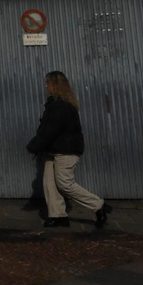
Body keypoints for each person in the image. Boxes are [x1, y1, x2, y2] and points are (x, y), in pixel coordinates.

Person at [26, 70, 113, 229]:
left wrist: (34, 146)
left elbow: (50, 129)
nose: (46, 85)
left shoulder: (61, 105)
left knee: (65, 184)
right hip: (54, 150)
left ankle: (98, 205)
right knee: (49, 184)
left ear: (55, 85)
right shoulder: (56, 103)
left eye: (48, 82)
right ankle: (58, 216)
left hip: (65, 151)